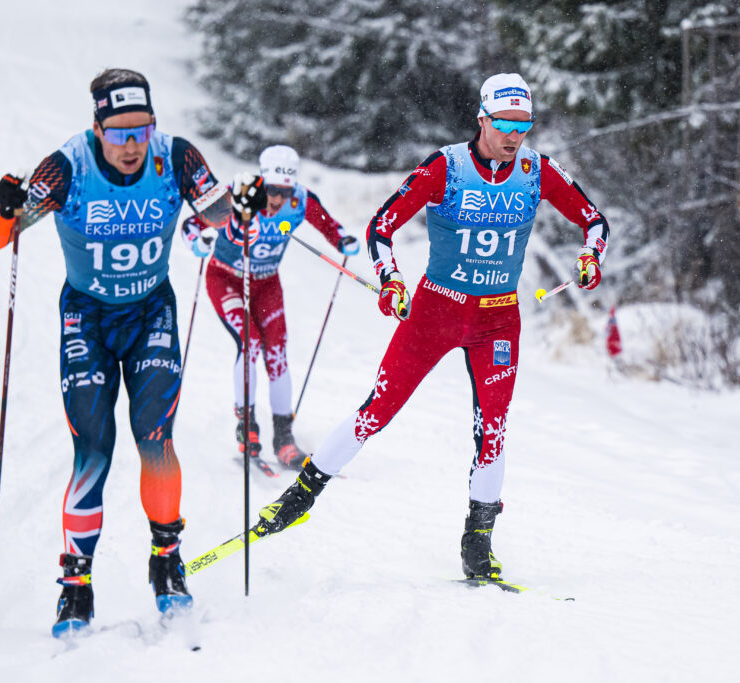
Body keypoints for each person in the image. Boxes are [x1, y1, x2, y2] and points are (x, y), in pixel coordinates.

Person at [247, 73, 611, 580]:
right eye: (504, 123)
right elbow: (382, 225)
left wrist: (592, 255)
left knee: (494, 430)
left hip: (498, 320)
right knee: (378, 409)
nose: (513, 136)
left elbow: (594, 220)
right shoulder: (448, 167)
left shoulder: (536, 170)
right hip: (436, 311)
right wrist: (391, 279)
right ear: (482, 118)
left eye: (523, 125)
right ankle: (298, 498)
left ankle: (477, 544)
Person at [0, 68, 234, 637]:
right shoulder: (67, 167)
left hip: (151, 313)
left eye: (141, 129)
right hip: (87, 318)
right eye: (118, 133)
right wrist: (7, 208)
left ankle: (166, 560)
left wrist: (231, 202)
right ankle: (76, 585)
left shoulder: (176, 156)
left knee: (155, 436)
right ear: (96, 128)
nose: (131, 144)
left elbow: (221, 216)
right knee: (92, 447)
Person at [181, 145, 359, 471]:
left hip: (266, 282)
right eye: (272, 190)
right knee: (249, 342)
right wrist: (198, 242)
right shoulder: (238, 196)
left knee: (276, 351)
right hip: (226, 278)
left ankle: (283, 437)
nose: (277, 199)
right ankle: (246, 426)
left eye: (284, 191)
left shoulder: (300, 201)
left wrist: (344, 240)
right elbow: (191, 226)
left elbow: (331, 227)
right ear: (262, 181)